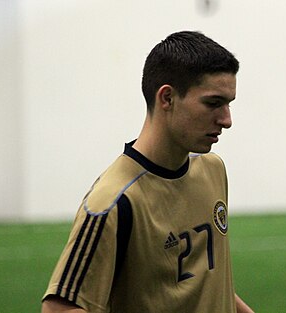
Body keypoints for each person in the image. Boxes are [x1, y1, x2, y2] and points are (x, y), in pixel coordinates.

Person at [41, 30, 254, 313]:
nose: (227, 120)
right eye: (213, 103)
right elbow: (60, 309)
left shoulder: (212, 169)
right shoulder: (113, 203)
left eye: (229, 104)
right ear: (167, 98)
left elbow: (209, 282)